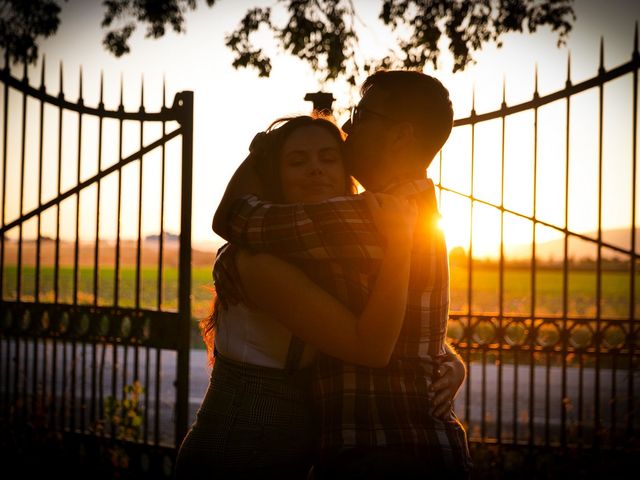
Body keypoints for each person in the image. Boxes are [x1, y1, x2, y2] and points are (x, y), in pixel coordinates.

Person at [212, 70, 473, 478]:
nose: (349, 126)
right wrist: (449, 359)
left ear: (401, 135)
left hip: (384, 452)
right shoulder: (416, 209)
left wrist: (262, 150)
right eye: (297, 161)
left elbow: (234, 215)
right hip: (411, 447)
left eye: (362, 114)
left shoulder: (368, 217)